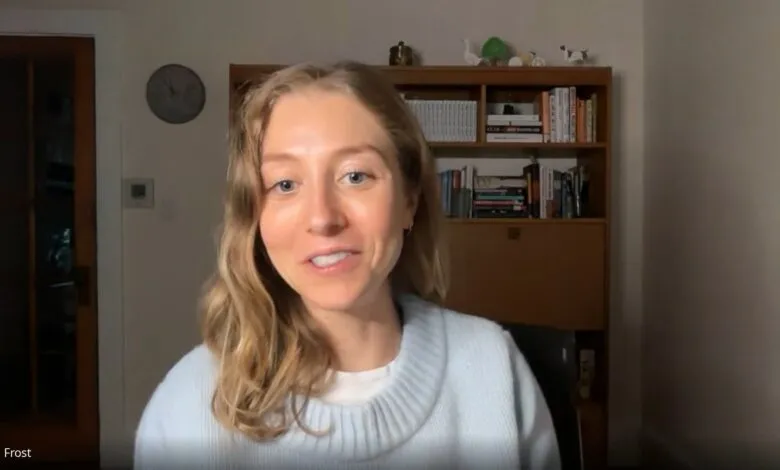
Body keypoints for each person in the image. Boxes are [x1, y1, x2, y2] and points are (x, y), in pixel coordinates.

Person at [133, 61, 561, 470]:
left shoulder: (493, 370)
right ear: (255, 216)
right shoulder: (188, 405)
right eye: (285, 184)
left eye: (355, 176)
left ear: (409, 201)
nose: (322, 218)